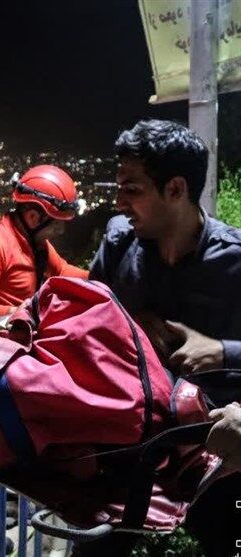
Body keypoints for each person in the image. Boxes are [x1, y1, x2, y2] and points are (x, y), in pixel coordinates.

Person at [88, 119, 241, 556]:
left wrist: (222, 351)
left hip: (216, 462)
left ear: (175, 189)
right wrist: (127, 321)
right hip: (125, 459)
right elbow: (81, 325)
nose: (119, 202)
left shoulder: (235, 263)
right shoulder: (118, 248)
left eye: (132, 189)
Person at [0, 165, 88, 316]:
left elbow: (61, 271)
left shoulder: (33, 241)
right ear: (33, 217)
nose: (61, 230)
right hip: (3, 334)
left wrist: (102, 277)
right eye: (56, 223)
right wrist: (14, 312)